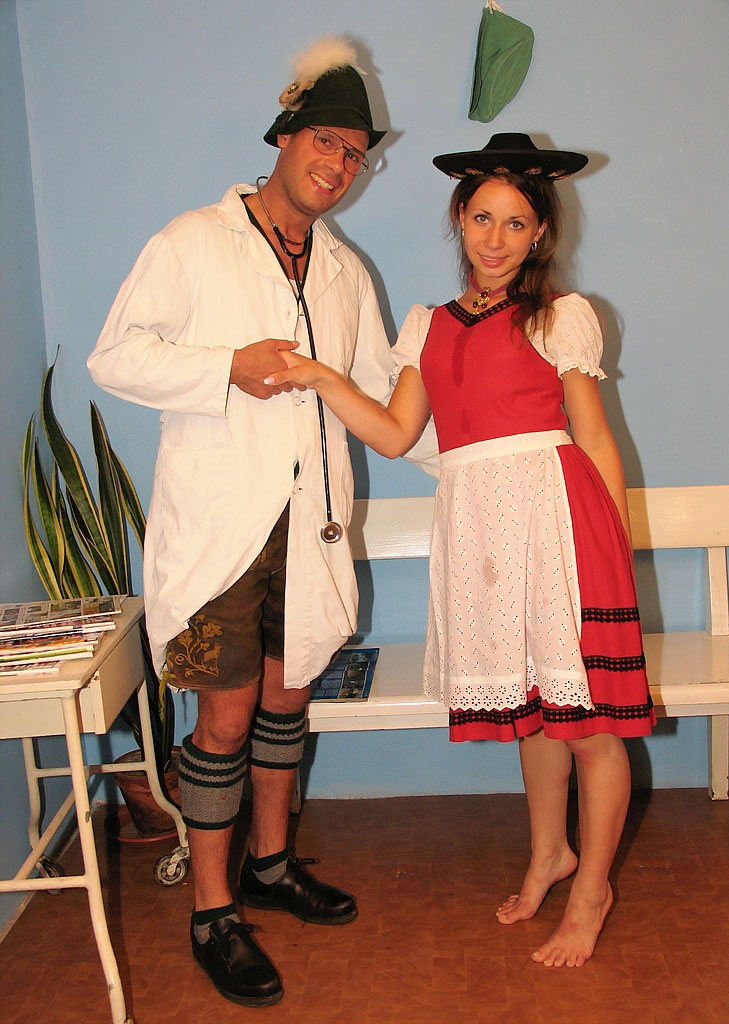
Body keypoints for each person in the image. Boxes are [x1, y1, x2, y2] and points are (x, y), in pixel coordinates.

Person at [88, 37, 435, 1008]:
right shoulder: (194, 240)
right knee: (226, 714)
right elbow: (115, 355)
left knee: (287, 700)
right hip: (222, 529)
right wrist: (224, 369)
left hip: (310, 524)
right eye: (327, 141)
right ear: (285, 137)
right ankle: (213, 911)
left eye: (356, 153)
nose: (339, 164)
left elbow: (380, 398)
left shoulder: (344, 271)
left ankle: (272, 866)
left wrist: (474, 431)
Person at [265, 133, 656, 970]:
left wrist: (616, 552)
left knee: (588, 724)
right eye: (482, 218)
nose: (495, 239)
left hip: (560, 526)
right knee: (534, 710)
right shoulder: (430, 326)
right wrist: (326, 379)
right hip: (481, 528)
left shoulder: (560, 317)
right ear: (459, 218)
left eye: (516, 223)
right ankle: (550, 854)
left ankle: (592, 894)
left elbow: (594, 437)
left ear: (540, 233)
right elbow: (397, 431)